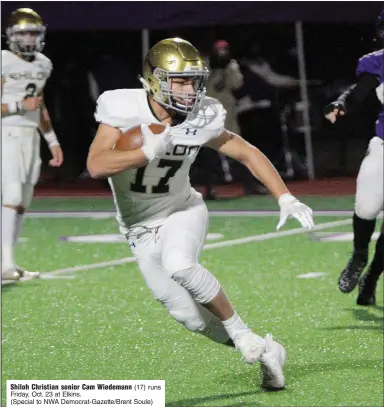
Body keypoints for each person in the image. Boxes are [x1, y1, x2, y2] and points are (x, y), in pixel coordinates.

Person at [87, 38, 314, 389]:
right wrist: (144, 151)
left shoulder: (203, 114)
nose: (189, 89)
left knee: (180, 264)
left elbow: (247, 152)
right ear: (154, 80)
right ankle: (268, 350)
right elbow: (97, 164)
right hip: (138, 227)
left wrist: (284, 196)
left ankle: (241, 335)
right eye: (179, 80)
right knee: (190, 318)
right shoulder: (121, 106)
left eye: (194, 80)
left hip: (182, 209)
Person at [1, 8, 64, 280]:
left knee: (24, 201)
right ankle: (4, 264)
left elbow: (39, 104)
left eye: (33, 33)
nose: (28, 38)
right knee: (12, 197)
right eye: (23, 32)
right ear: (11, 35)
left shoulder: (43, 63)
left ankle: (9, 263)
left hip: (29, 135)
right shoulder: (3, 60)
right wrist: (18, 105)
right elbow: (26, 103)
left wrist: (51, 140)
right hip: (6, 132)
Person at [324, 11, 384, 297]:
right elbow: (360, 91)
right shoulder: (377, 63)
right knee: (367, 206)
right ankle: (360, 255)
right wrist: (341, 103)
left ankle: (371, 277)